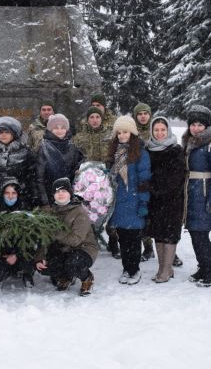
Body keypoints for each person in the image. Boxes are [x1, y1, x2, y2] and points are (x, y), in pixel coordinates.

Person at [182, 105, 211, 287]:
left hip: (205, 195)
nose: (196, 128)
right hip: (192, 195)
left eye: (200, 125)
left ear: (206, 126)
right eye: (193, 124)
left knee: (201, 235)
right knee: (194, 233)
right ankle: (203, 267)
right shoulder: (191, 143)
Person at [107, 116, 152, 285]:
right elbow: (112, 176)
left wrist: (143, 203)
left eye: (125, 132)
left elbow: (144, 180)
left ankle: (135, 270)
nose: (121, 135)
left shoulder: (140, 153)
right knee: (123, 238)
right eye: (118, 133)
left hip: (134, 201)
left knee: (133, 239)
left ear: (132, 133)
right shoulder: (115, 151)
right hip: (119, 202)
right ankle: (126, 268)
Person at [34, 178, 98, 296]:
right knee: (45, 266)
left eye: (64, 191)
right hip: (63, 248)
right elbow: (44, 239)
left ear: (70, 193)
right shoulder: (49, 212)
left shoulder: (79, 212)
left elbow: (75, 240)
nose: (60, 194)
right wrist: (39, 257)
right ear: (53, 195)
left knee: (74, 263)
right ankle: (66, 276)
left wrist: (54, 232)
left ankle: (87, 277)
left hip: (83, 249)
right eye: (57, 192)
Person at [73, 106, 119, 258]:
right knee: (87, 210)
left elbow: (115, 155)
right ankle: (89, 239)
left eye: (97, 117)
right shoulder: (79, 137)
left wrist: (110, 169)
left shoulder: (111, 135)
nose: (94, 120)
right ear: (87, 119)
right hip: (86, 182)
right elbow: (75, 157)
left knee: (109, 210)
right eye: (91, 117)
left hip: (106, 180)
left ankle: (113, 240)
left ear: (102, 118)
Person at [146, 117, 186, 283]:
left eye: (163, 130)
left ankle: (166, 270)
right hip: (154, 201)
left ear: (168, 130)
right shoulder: (148, 149)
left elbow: (177, 177)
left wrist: (155, 187)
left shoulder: (175, 150)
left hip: (172, 199)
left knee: (169, 234)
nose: (160, 133)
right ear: (152, 131)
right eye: (156, 130)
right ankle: (163, 268)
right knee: (158, 234)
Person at [0, 178, 36, 288]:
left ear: (18, 194)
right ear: (2, 194)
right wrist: (4, 256)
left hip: (20, 254)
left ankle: (25, 274)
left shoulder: (25, 210)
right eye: (7, 193)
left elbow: (30, 239)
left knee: (29, 259)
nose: (10, 196)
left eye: (13, 193)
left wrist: (16, 255)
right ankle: (0, 276)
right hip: (1, 254)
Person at [36, 113, 84, 206]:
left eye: (62, 128)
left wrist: (79, 170)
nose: (59, 130)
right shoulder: (44, 148)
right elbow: (40, 179)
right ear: (50, 130)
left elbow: (77, 166)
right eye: (56, 128)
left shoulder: (72, 147)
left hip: (68, 194)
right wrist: (45, 201)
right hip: (50, 194)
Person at [132, 102, 159, 263]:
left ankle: (169, 251)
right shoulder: (133, 132)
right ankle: (147, 247)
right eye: (139, 114)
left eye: (145, 113)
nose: (143, 116)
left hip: (156, 176)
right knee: (143, 214)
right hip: (140, 177)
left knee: (160, 215)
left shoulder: (156, 130)